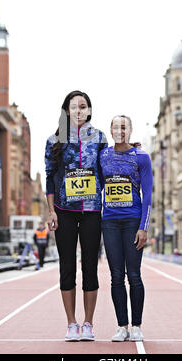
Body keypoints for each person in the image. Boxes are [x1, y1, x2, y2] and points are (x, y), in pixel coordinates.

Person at [45, 90, 107, 342]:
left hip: (92, 210)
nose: (79, 111)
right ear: (67, 111)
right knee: (67, 267)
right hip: (64, 211)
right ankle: (71, 324)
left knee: (90, 267)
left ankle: (89, 324)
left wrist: (127, 150)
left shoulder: (100, 138)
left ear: (89, 110)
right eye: (74, 107)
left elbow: (108, 168)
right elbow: (49, 178)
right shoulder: (53, 140)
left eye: (83, 106)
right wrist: (51, 211)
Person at [100, 115, 153, 342]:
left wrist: (144, 226)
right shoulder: (102, 156)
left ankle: (137, 326)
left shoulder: (142, 157)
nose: (120, 130)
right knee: (115, 276)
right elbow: (96, 185)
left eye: (124, 126)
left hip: (133, 220)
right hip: (109, 221)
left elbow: (148, 195)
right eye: (116, 126)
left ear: (130, 130)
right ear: (110, 130)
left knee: (134, 275)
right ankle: (122, 326)